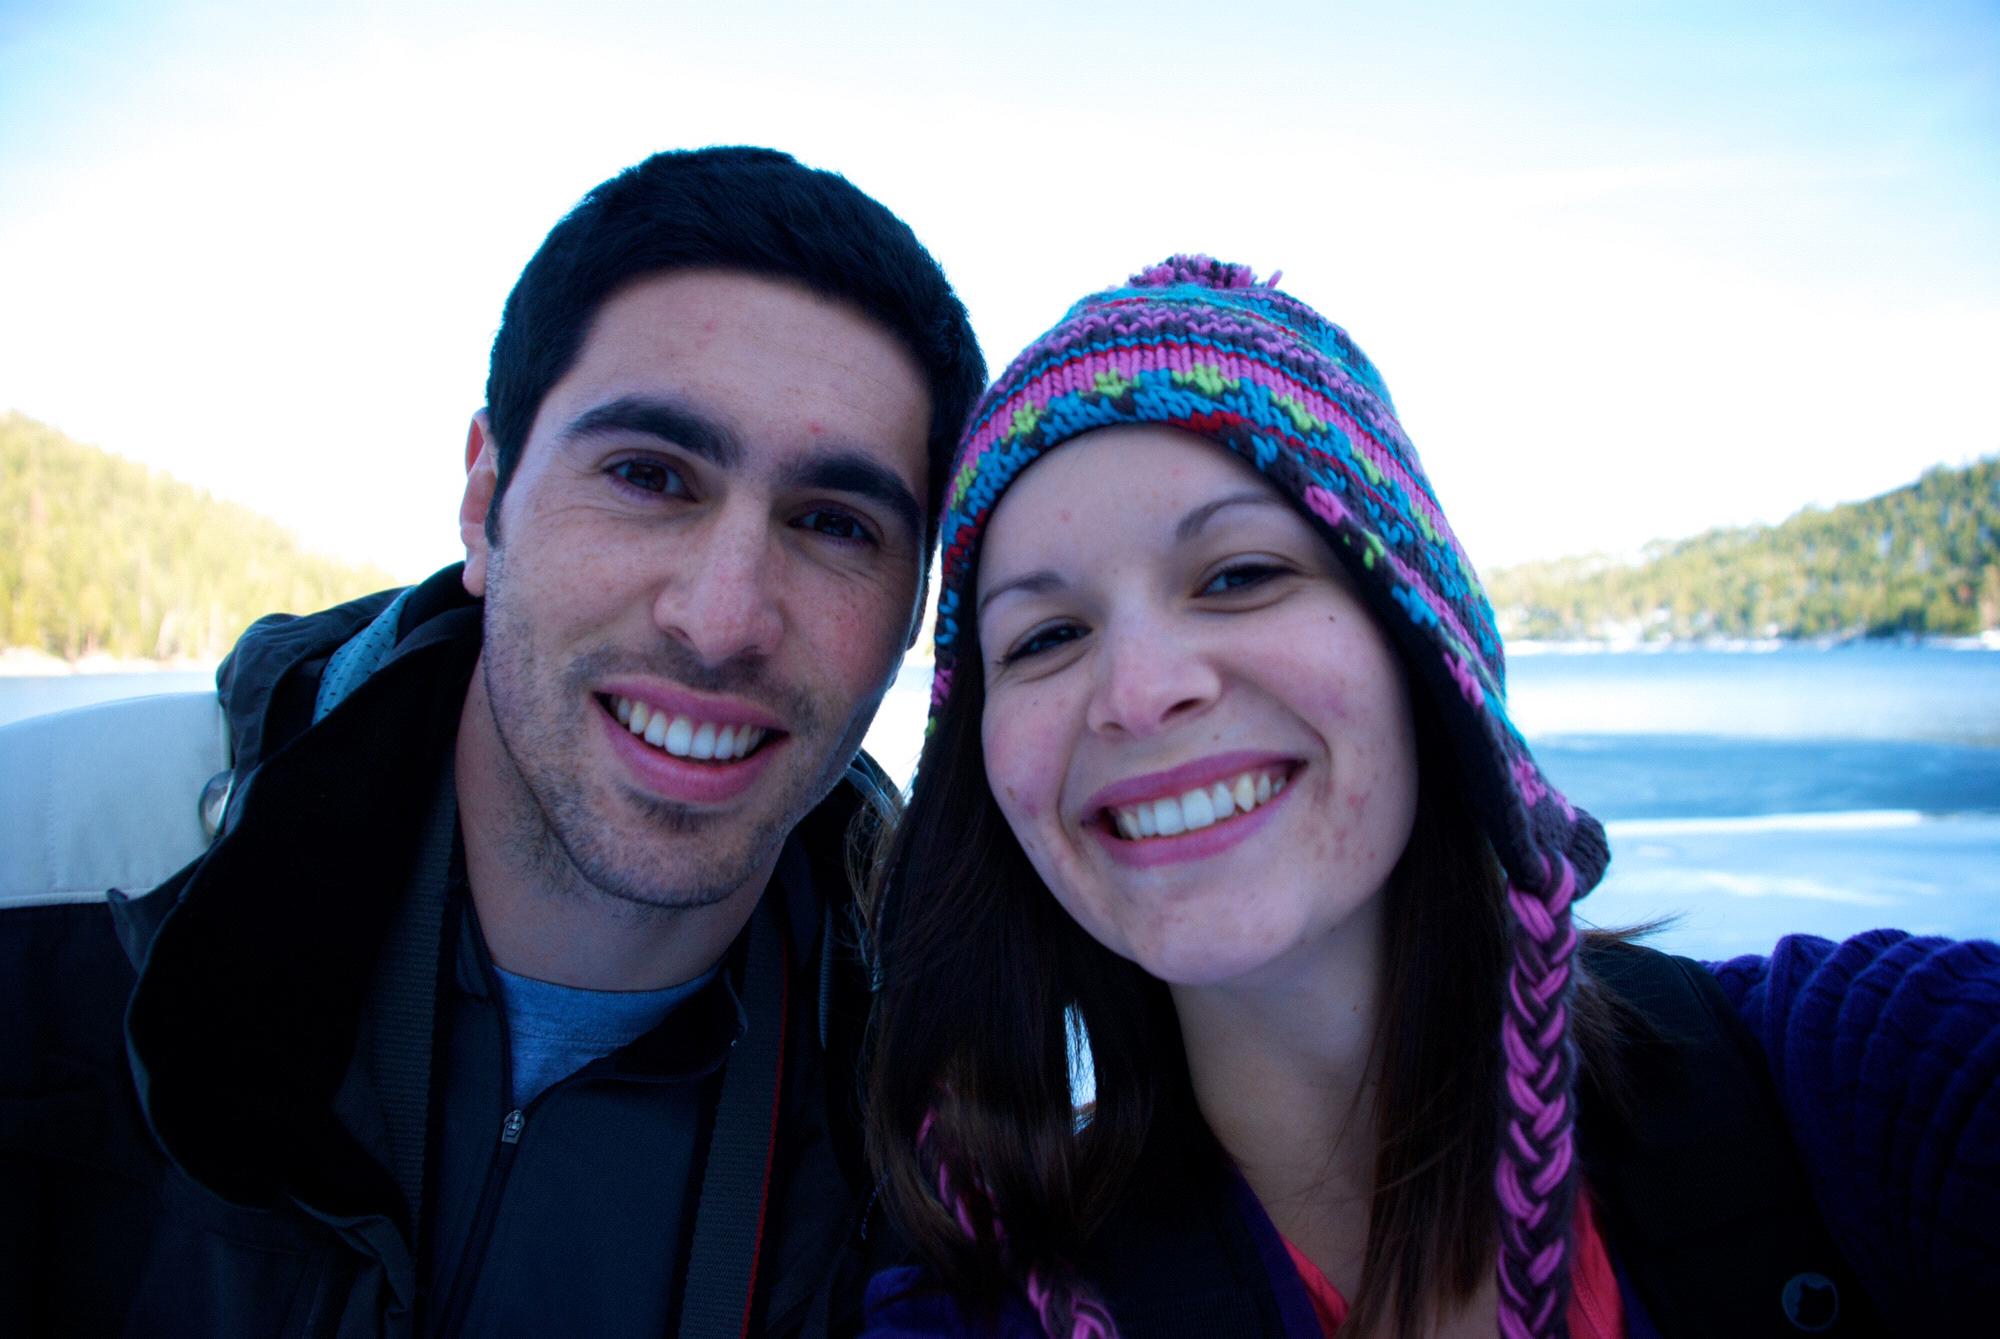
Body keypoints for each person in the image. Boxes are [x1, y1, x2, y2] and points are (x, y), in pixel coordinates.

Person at [859, 257, 1999, 1337]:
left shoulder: (1862, 1084)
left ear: (1422, 644)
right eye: (1045, 636)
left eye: (1240, 575)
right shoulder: (973, 1303)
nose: (1139, 691)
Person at [0, 146, 985, 1338]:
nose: (723, 618)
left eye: (834, 524)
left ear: (915, 611)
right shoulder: (41, 878)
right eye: (648, 476)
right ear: (484, 500)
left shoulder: (949, 1142)